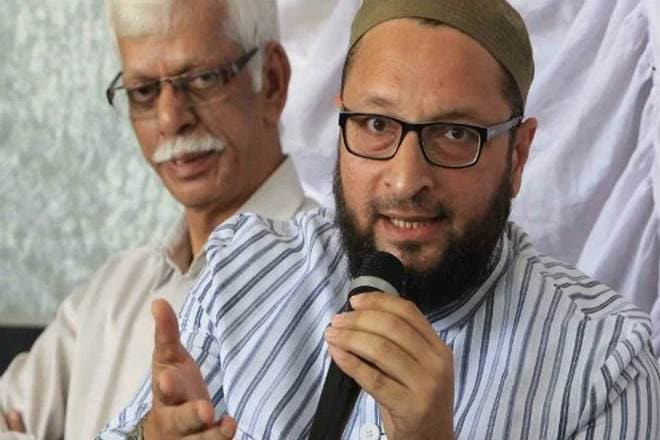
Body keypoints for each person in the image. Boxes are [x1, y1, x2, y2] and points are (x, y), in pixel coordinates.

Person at [100, 0, 660, 438]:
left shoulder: (608, 364)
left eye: (454, 133)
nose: (405, 178)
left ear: (517, 155)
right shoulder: (243, 271)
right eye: (375, 125)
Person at [0, 0, 317, 438]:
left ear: (273, 82)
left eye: (203, 79)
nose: (171, 119)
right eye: (144, 91)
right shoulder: (110, 294)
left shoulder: (333, 286)